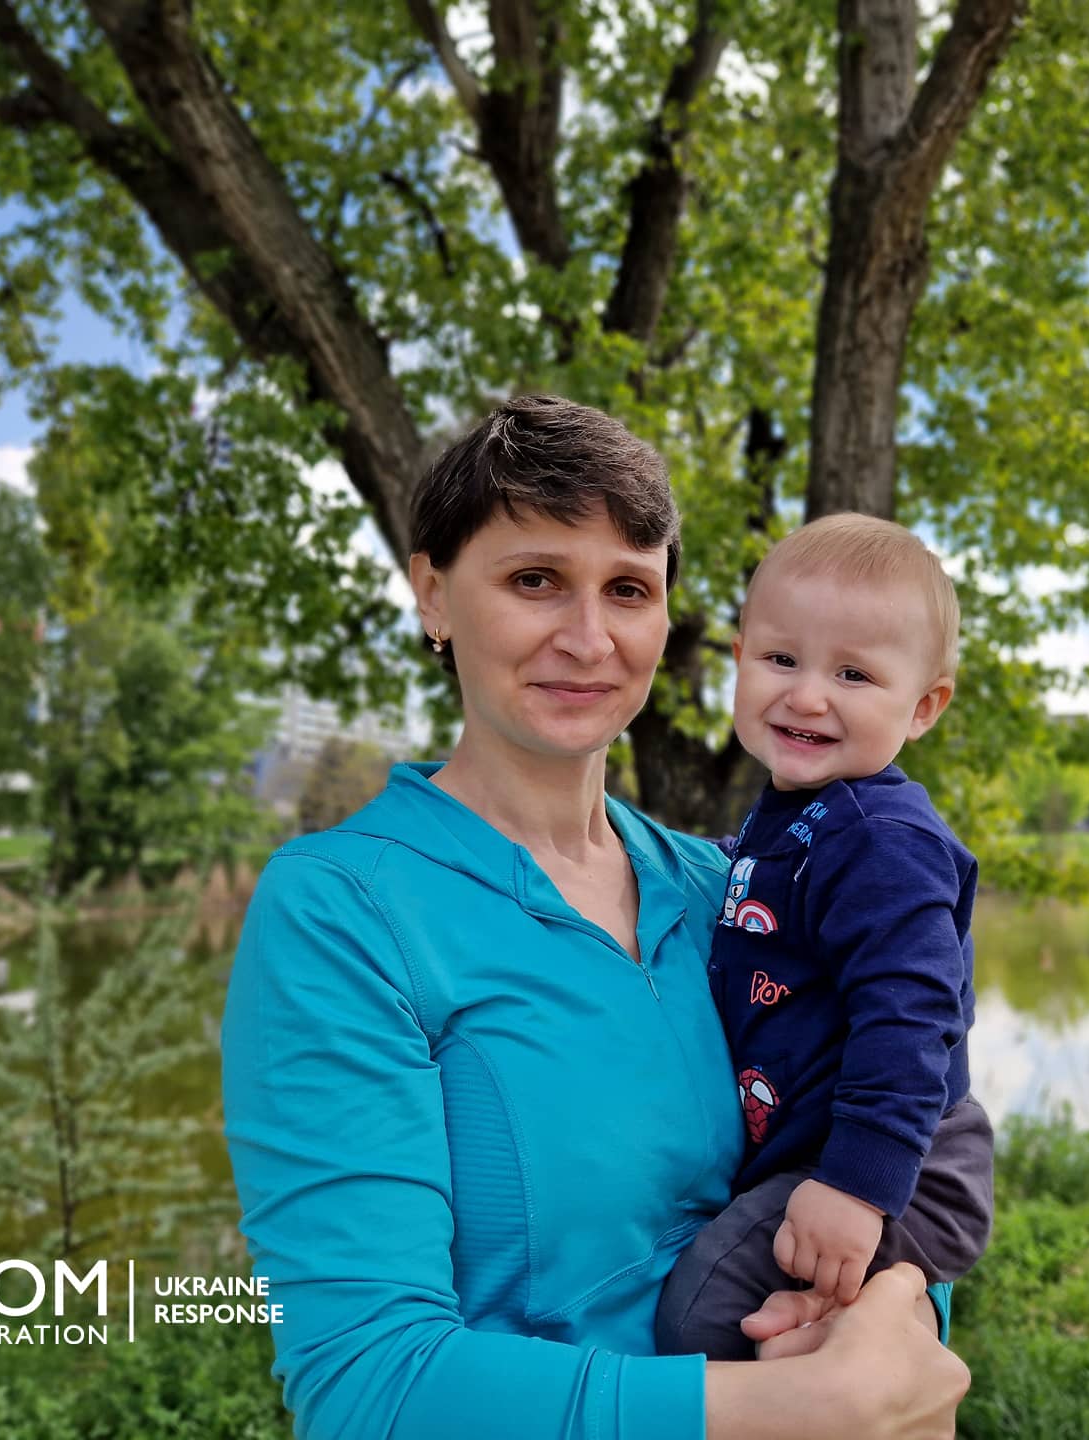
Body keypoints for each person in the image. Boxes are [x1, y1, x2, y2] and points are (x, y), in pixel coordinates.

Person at [221, 397, 968, 1440]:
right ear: (433, 596)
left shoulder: (725, 892)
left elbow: (899, 1157)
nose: (588, 637)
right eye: (535, 580)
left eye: (628, 588)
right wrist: (797, 1403)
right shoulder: (343, 911)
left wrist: (899, 1314)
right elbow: (367, 1389)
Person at [654, 515, 993, 1360]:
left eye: (853, 673)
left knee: (700, 1311)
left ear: (923, 707)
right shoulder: (799, 819)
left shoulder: (882, 838)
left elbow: (914, 1015)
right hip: (828, 1152)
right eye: (781, 659)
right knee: (786, 1324)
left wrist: (855, 1185)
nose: (808, 695)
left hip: (898, 1165)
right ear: (738, 660)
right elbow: (755, 882)